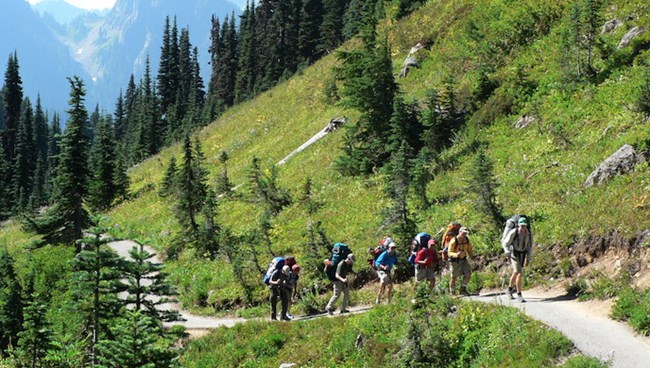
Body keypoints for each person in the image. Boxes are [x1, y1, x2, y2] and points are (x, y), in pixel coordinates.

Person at [502, 217, 533, 302]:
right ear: (518, 225)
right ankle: (519, 295)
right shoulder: (514, 232)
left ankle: (509, 289)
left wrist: (528, 258)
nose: (523, 228)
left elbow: (529, 246)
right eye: (521, 226)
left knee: (516, 272)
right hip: (514, 254)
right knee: (519, 273)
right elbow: (505, 243)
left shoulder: (529, 233)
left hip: (522, 254)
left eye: (524, 226)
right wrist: (507, 253)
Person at [447, 227, 473, 296]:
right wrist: (456, 254)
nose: (465, 235)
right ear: (459, 232)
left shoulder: (467, 240)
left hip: (463, 260)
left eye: (466, 233)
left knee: (468, 273)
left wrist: (472, 256)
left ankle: (463, 289)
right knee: (453, 277)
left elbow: (469, 249)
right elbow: (449, 253)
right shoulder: (454, 240)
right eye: (463, 233)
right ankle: (452, 293)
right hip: (454, 261)